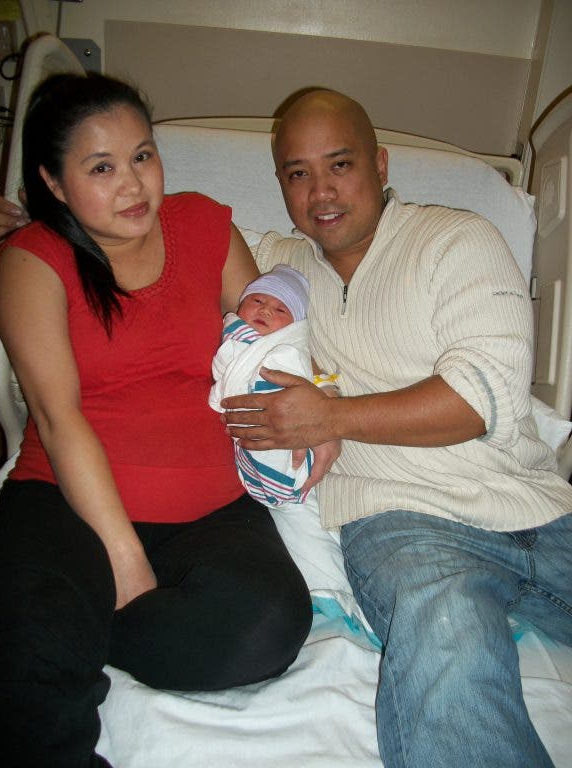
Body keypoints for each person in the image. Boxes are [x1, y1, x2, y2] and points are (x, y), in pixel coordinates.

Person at [220, 89, 572, 768]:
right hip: (404, 525)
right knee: (447, 625)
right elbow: (185, 231)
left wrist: (330, 416)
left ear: (379, 165)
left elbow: (481, 398)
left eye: (340, 165)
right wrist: (46, 224)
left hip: (538, 509)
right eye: (297, 174)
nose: (321, 192)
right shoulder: (281, 269)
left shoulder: (456, 239)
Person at [0, 73, 312, 768]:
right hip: (67, 500)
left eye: (142, 155)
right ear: (52, 182)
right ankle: (51, 638)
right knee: (31, 667)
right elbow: (57, 416)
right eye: (101, 168)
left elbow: (267, 347)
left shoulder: (204, 226)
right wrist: (124, 560)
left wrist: (313, 423)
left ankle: (80, 629)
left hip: (211, 509)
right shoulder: (30, 260)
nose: (133, 183)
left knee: (266, 627)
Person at [210, 264, 335, 506]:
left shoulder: (288, 352)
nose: (265, 310)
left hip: (294, 454)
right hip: (244, 460)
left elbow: (306, 380)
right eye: (257, 300)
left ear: (293, 327)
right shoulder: (233, 337)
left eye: (280, 309)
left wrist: (328, 403)